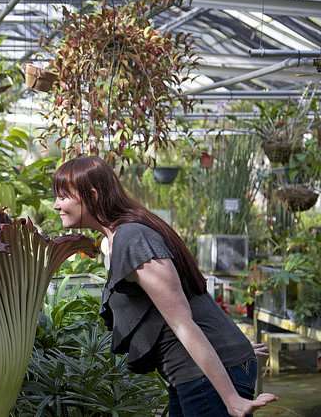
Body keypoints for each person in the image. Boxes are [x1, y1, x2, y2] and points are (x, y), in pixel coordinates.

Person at [52, 156, 277, 417]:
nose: (56, 204)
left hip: (208, 376)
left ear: (92, 194)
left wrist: (231, 399)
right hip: (193, 372)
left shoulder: (132, 238)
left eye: (63, 196)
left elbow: (182, 320)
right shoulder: (118, 238)